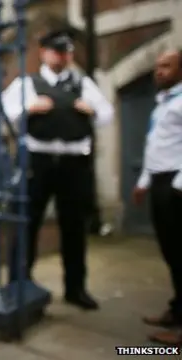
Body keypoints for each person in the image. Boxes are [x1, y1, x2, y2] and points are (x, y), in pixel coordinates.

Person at [2, 29, 114, 310]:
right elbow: (7, 110)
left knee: (74, 228)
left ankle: (76, 288)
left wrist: (91, 109)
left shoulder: (83, 83)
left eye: (66, 52)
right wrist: (31, 107)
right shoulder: (28, 83)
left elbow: (107, 113)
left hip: (74, 164)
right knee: (28, 223)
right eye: (55, 51)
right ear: (43, 53)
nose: (61, 56)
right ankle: (19, 284)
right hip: (38, 162)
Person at [132, 49, 182, 345]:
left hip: (176, 184)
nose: (158, 71)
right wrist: (144, 180)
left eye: (166, 66)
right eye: (157, 66)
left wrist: (178, 186)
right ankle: (177, 312)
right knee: (173, 254)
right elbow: (157, 146)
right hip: (161, 181)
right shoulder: (162, 105)